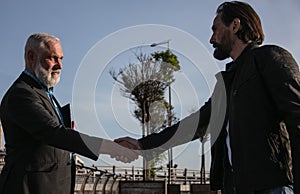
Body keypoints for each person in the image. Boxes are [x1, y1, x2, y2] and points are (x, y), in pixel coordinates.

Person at [115, 1, 300, 193]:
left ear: (235, 26)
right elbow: (196, 124)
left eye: (216, 29)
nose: (211, 39)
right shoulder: (227, 82)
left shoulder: (270, 58)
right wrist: (142, 144)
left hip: (272, 187)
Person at [0, 33, 139, 194]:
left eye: (61, 59)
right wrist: (112, 148)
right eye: (52, 58)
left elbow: (55, 139)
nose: (60, 65)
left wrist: (69, 137)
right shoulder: (21, 94)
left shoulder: (45, 94)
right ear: (31, 57)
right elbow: (53, 133)